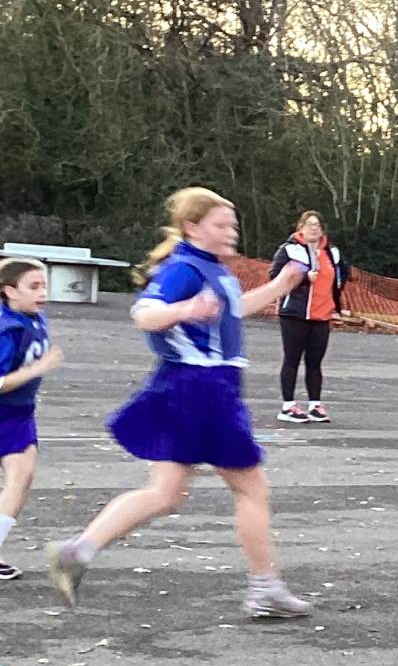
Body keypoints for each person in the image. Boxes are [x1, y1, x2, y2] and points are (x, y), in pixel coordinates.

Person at [45, 187, 312, 617]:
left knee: (165, 493)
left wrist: (281, 285)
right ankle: (265, 588)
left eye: (233, 225)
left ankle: (77, 551)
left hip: (185, 387)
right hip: (204, 389)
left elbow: (233, 310)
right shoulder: (184, 269)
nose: (231, 232)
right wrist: (184, 310)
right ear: (192, 227)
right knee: (251, 490)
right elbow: (144, 314)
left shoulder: (210, 267)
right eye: (221, 225)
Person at [0, 257, 61, 582]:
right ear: (10, 290)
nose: (42, 293)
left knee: (20, 478)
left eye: (44, 286)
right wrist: (37, 369)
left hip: (19, 414)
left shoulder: (34, 318)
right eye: (33, 286)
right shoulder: (6, 329)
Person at [271, 210, 349, 424]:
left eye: (317, 225)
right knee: (292, 359)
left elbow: (342, 274)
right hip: (295, 314)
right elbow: (275, 276)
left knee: (315, 362)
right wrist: (304, 278)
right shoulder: (290, 250)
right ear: (300, 228)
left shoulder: (332, 252)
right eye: (309, 224)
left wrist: (337, 302)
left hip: (321, 315)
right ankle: (288, 406)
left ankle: (315, 405)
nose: (314, 228)